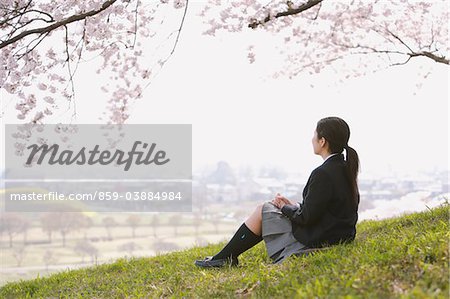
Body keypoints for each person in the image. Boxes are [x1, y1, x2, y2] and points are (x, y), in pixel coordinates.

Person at [195, 116, 360, 267]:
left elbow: (306, 218)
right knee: (269, 208)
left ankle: (225, 258)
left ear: (322, 141)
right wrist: (294, 205)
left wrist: (284, 208)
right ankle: (225, 257)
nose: (312, 139)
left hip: (319, 240)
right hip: (337, 236)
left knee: (263, 209)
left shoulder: (323, 172)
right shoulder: (345, 168)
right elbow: (325, 207)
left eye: (314, 135)